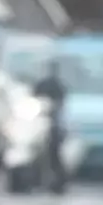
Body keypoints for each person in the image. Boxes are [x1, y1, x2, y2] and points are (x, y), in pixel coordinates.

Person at [32, 58, 67, 192]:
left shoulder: (57, 85)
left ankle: (58, 182)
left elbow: (61, 104)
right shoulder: (42, 84)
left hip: (52, 126)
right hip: (37, 123)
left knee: (54, 155)